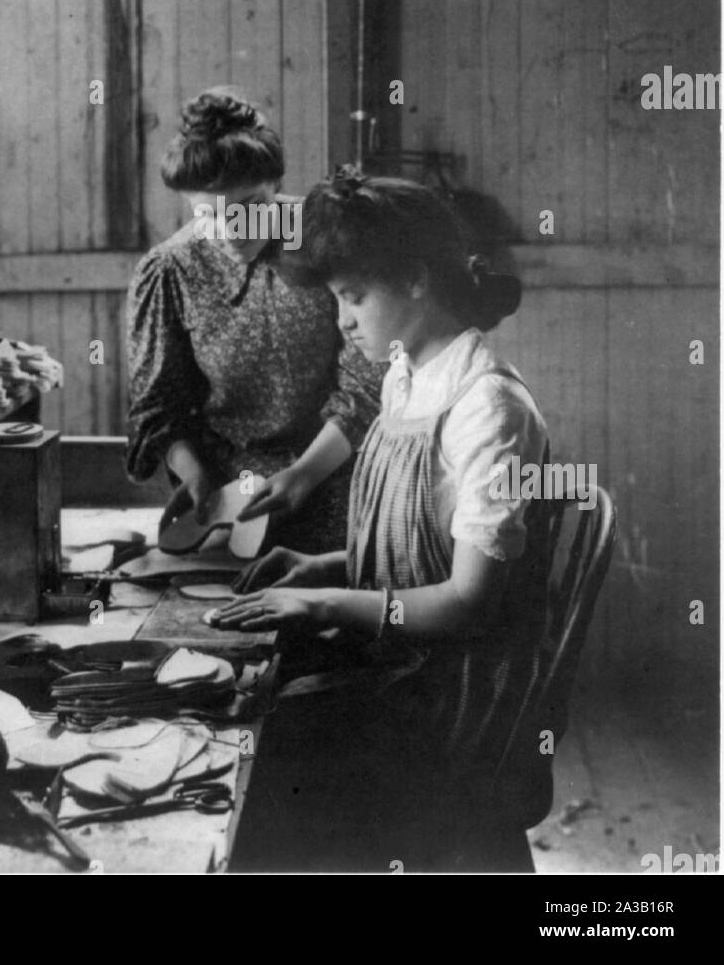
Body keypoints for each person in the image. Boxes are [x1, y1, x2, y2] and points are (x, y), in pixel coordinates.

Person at [220, 167, 551, 872]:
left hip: (453, 698)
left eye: (353, 297)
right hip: (404, 660)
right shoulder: (406, 376)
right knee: (253, 693)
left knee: (275, 732)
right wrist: (322, 570)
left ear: (417, 281)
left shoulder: (484, 408)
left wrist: (326, 601)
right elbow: (416, 553)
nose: (342, 319)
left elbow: (465, 601)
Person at [126, 90, 383, 554]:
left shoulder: (327, 240)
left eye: (248, 209)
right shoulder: (170, 270)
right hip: (229, 506)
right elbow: (157, 411)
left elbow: (366, 387)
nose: (230, 233)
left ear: (275, 183)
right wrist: (195, 474)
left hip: (338, 479)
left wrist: (304, 475)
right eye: (207, 215)